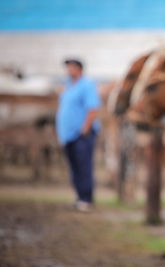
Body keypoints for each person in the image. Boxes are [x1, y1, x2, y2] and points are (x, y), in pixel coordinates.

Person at [56, 59, 101, 212]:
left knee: (84, 167)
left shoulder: (87, 85)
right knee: (74, 167)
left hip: (81, 134)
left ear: (79, 68)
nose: (68, 70)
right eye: (67, 67)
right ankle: (80, 196)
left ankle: (86, 199)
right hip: (68, 135)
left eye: (71, 67)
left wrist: (85, 129)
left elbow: (93, 108)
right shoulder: (68, 85)